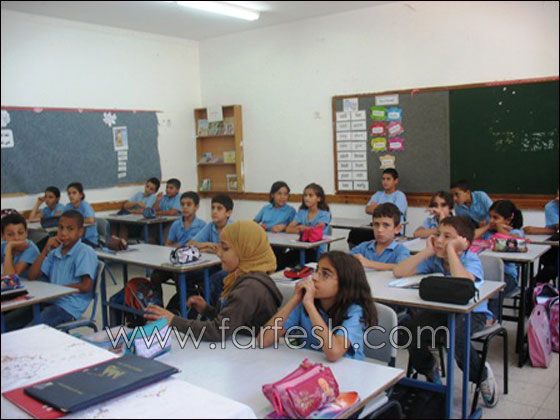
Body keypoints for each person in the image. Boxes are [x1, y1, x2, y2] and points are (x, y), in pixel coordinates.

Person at [393, 216, 498, 408]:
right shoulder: (435, 258)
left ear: (464, 243)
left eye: (447, 237)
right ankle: (429, 370)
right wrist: (427, 251)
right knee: (408, 328)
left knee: (454, 336)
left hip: (472, 313)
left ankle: (480, 375)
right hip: (440, 312)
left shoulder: (470, 259)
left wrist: (451, 251)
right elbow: (399, 272)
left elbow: (464, 285)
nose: (439, 240)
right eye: (438, 234)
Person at [144, 221, 282, 341]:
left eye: (225, 248)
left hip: (251, 353)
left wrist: (173, 321)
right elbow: (234, 319)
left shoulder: (249, 288)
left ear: (246, 251)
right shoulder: (249, 277)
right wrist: (207, 310)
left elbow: (218, 331)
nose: (219, 253)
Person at [258, 251, 377, 362]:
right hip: (312, 366)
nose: (314, 277)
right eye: (316, 271)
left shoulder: (355, 311)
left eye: (325, 274)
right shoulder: (304, 304)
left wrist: (310, 306)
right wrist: (295, 299)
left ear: (345, 283)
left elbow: (334, 353)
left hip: (348, 371)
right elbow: (263, 340)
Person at [5, 210, 98, 331]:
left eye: (70, 229)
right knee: (7, 323)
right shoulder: (55, 252)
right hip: (50, 300)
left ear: (80, 231)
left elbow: (86, 286)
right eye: (61, 228)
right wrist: (45, 250)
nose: (63, 233)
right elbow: (32, 275)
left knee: (30, 331)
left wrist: (57, 290)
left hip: (68, 307)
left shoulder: (84, 252)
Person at [150, 191, 206, 297]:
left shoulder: (202, 225)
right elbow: (167, 245)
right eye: (182, 204)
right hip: (176, 262)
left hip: (192, 264)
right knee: (155, 276)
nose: (185, 207)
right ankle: (158, 303)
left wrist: (179, 246)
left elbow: (200, 248)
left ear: (196, 207)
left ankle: (184, 301)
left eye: (189, 204)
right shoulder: (176, 224)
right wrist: (180, 246)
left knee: (179, 276)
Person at [475, 200, 524, 320]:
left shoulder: (515, 232)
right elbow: (472, 236)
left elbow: (512, 242)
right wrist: (487, 226)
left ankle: (492, 320)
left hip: (507, 276)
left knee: (495, 293)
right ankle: (477, 319)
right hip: (485, 274)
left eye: (495, 218)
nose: (491, 220)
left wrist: (500, 229)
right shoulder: (488, 233)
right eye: (490, 217)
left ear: (508, 219)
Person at [348, 168, 407, 249]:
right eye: (383, 179)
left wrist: (376, 207)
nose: (385, 181)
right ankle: (354, 255)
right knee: (354, 233)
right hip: (376, 227)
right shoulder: (378, 194)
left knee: (368, 237)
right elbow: (368, 209)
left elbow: (392, 213)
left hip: (391, 229)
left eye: (388, 179)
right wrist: (384, 207)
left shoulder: (399, 196)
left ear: (395, 181)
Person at [350, 203, 410, 271]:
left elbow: (402, 267)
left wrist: (369, 263)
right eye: (376, 224)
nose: (379, 230)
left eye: (386, 225)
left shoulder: (401, 251)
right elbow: (344, 261)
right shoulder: (363, 247)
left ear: (397, 229)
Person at [284, 183, 331, 265]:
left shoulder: (324, 214)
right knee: (282, 259)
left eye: (310, 195)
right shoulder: (301, 212)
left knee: (295, 261)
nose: (306, 198)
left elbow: (315, 231)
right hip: (300, 247)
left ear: (319, 198)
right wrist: (302, 230)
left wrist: (302, 228)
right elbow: (288, 229)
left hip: (316, 250)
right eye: (305, 195)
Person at [524, 188, 559, 285]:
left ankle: (535, 285)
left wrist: (536, 229)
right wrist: (536, 230)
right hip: (553, 250)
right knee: (551, 266)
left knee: (553, 268)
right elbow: (555, 229)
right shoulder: (551, 206)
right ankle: (534, 287)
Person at [1, 213, 40, 277]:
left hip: (32, 283)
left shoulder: (30, 248)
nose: (17, 238)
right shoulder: (3, 245)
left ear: (26, 233)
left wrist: (9, 248)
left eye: (20, 233)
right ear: (3, 236)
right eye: (10, 234)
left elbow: (11, 277)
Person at [63, 182, 98, 247]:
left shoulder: (85, 206)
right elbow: (62, 219)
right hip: (74, 239)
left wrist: (73, 220)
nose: (71, 196)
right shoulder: (68, 206)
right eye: (69, 193)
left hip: (88, 240)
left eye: (74, 193)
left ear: (81, 195)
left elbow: (90, 220)